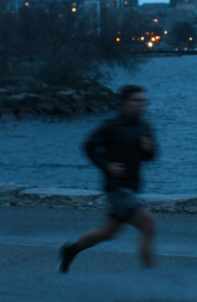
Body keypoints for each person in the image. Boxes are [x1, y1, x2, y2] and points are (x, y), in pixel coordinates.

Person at [59, 85, 157, 272]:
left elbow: (150, 156)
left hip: (131, 186)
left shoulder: (144, 126)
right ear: (125, 103)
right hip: (117, 189)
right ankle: (150, 277)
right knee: (149, 224)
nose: (142, 105)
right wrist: (107, 166)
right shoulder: (112, 126)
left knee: (107, 233)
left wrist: (148, 149)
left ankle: (70, 251)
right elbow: (89, 145)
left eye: (144, 101)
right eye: (138, 100)